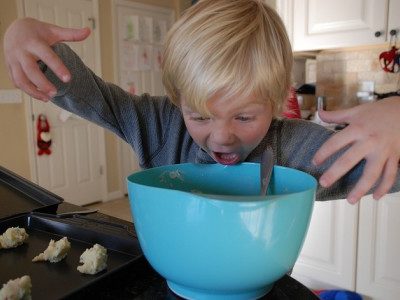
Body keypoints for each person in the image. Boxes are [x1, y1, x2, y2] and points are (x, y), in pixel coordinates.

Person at [3, 0, 400, 204]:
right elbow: (91, 93)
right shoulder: (160, 125)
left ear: (281, 100)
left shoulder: (296, 149)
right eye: (199, 115)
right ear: (178, 101)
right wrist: (31, 44)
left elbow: (384, 168)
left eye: (244, 116)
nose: (222, 136)